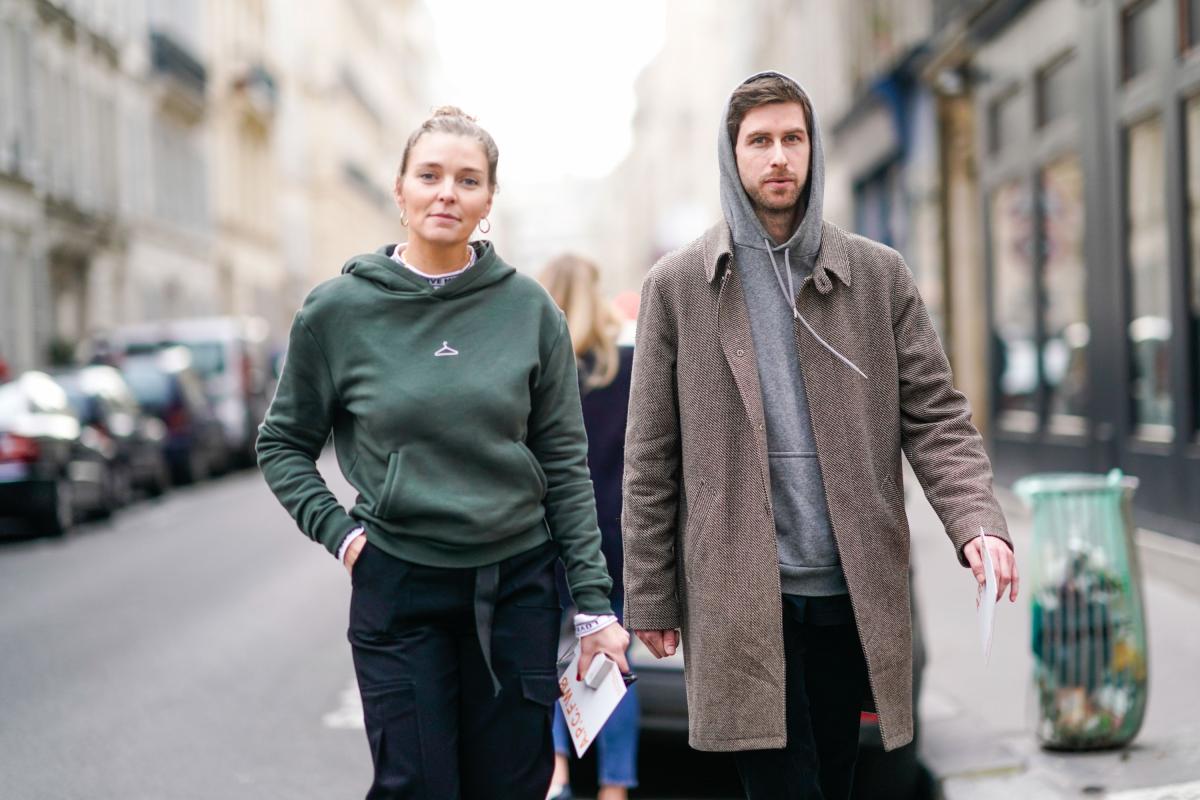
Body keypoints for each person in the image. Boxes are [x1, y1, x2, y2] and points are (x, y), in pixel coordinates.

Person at [620, 72, 1020, 800]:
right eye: (760, 141)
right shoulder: (677, 287)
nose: (779, 157)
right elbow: (650, 457)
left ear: (814, 149)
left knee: (838, 778)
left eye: (793, 139)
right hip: (742, 596)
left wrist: (979, 526)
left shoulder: (876, 275)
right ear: (731, 154)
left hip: (852, 588)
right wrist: (648, 594)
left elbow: (936, 416)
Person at [257, 106, 630, 800]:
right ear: (399, 190)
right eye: (429, 176)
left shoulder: (529, 310)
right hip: (400, 586)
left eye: (467, 180)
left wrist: (595, 608)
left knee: (510, 788)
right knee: (416, 786)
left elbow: (565, 466)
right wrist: (342, 537)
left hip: (515, 587)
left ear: (489, 200)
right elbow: (282, 442)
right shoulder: (337, 312)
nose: (446, 193)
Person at [537, 255, 639, 800]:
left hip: (549, 534)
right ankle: (614, 788)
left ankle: (555, 773)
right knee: (610, 662)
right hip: (615, 537)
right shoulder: (628, 366)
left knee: (550, 658)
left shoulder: (537, 366)